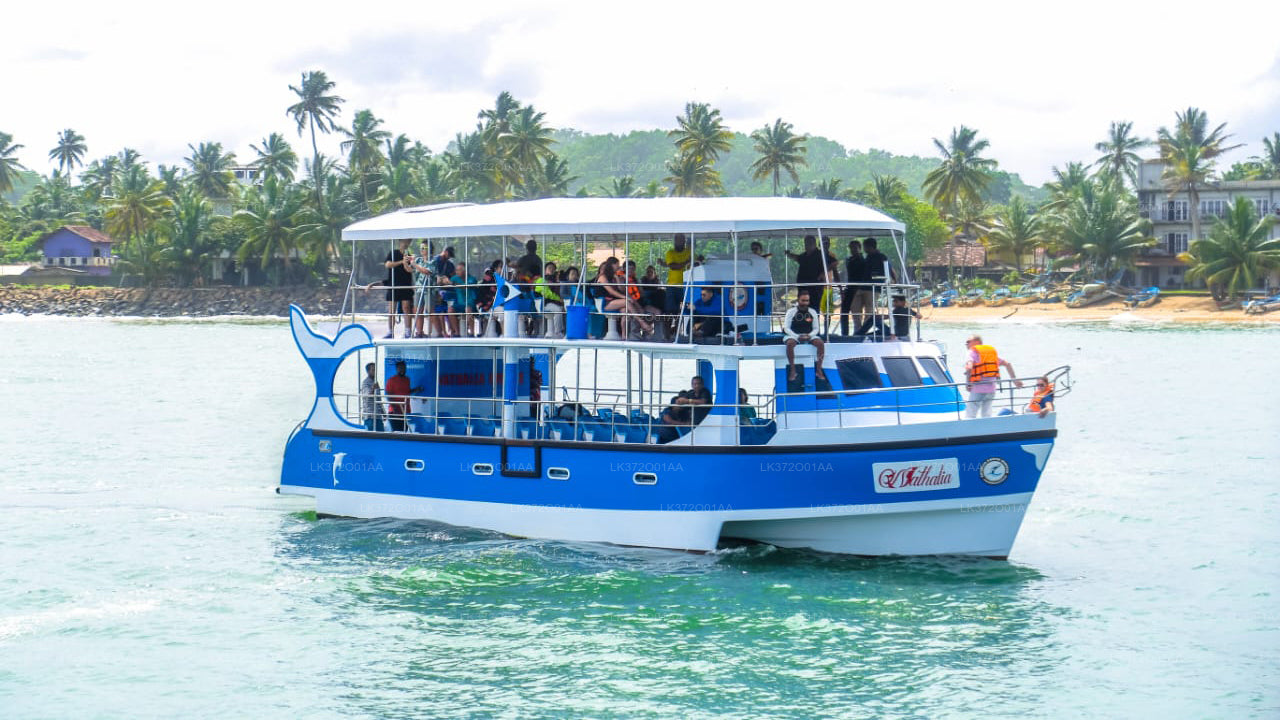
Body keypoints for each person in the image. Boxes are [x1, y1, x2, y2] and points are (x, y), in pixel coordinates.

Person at [964, 334, 1022, 418]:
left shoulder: (971, 352)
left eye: (968, 342)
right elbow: (1008, 364)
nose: (966, 344)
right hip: (991, 389)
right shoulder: (990, 354)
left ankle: (968, 430)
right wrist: (1015, 380)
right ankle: (988, 429)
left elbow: (969, 367)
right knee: (987, 414)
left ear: (977, 342)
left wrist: (968, 384)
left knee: (970, 413)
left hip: (978, 389)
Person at [783, 290, 826, 382]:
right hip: (794, 335)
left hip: (809, 335)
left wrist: (809, 336)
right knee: (790, 344)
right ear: (798, 300)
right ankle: (793, 369)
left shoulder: (812, 312)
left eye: (807, 301)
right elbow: (786, 328)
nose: (805, 303)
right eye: (803, 301)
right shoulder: (791, 312)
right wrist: (797, 336)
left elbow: (816, 328)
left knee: (820, 343)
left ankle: (818, 369)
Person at [380, 238, 414, 339]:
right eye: (404, 241)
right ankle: (390, 332)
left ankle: (408, 332)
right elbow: (388, 265)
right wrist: (401, 261)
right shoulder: (393, 253)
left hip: (405, 285)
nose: (405, 243)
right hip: (393, 284)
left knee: (406, 308)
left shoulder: (410, 256)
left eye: (408, 242)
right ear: (400, 242)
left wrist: (407, 261)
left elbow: (410, 269)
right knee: (391, 310)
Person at [785, 235, 827, 307]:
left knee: (814, 309)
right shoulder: (804, 256)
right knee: (803, 308)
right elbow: (797, 257)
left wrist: (822, 275)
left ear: (814, 243)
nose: (806, 245)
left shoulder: (820, 255)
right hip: (802, 288)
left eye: (809, 243)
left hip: (815, 288)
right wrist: (788, 254)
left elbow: (832, 263)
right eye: (806, 243)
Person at [384, 360, 423, 432]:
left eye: (404, 368)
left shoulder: (407, 379)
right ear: (397, 369)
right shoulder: (391, 380)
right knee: (397, 432)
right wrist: (394, 407)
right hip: (394, 412)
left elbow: (407, 391)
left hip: (406, 411)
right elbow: (388, 395)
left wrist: (417, 389)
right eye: (400, 368)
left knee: (405, 431)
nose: (402, 370)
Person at [841, 239, 869, 335]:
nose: (852, 250)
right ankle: (844, 333)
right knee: (844, 312)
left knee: (857, 312)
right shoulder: (849, 260)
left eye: (855, 248)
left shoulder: (863, 261)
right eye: (851, 248)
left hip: (858, 288)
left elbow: (863, 275)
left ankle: (859, 332)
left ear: (859, 248)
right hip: (850, 287)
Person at [659, 233, 691, 314]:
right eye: (677, 239)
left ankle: (677, 327)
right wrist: (687, 262)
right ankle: (668, 327)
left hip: (686, 286)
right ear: (674, 241)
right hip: (672, 286)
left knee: (682, 310)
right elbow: (673, 266)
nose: (679, 241)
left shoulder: (689, 252)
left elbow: (696, 263)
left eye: (681, 239)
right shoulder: (670, 253)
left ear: (684, 241)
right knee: (669, 311)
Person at [450, 262, 477, 337]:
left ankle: (472, 333)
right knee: (450, 310)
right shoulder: (455, 278)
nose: (457, 272)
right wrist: (442, 280)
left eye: (459, 270)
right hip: (459, 304)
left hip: (470, 303)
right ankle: (457, 332)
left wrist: (454, 284)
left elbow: (465, 287)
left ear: (465, 271)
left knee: (468, 309)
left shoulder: (472, 279)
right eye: (456, 270)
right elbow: (448, 283)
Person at [360, 362, 384, 432]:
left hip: (378, 415)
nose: (375, 372)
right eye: (373, 370)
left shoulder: (376, 382)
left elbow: (379, 398)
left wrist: (383, 412)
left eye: (375, 370)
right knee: (371, 435)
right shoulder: (365, 382)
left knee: (382, 435)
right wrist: (373, 389)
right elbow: (367, 396)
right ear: (368, 371)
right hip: (370, 415)